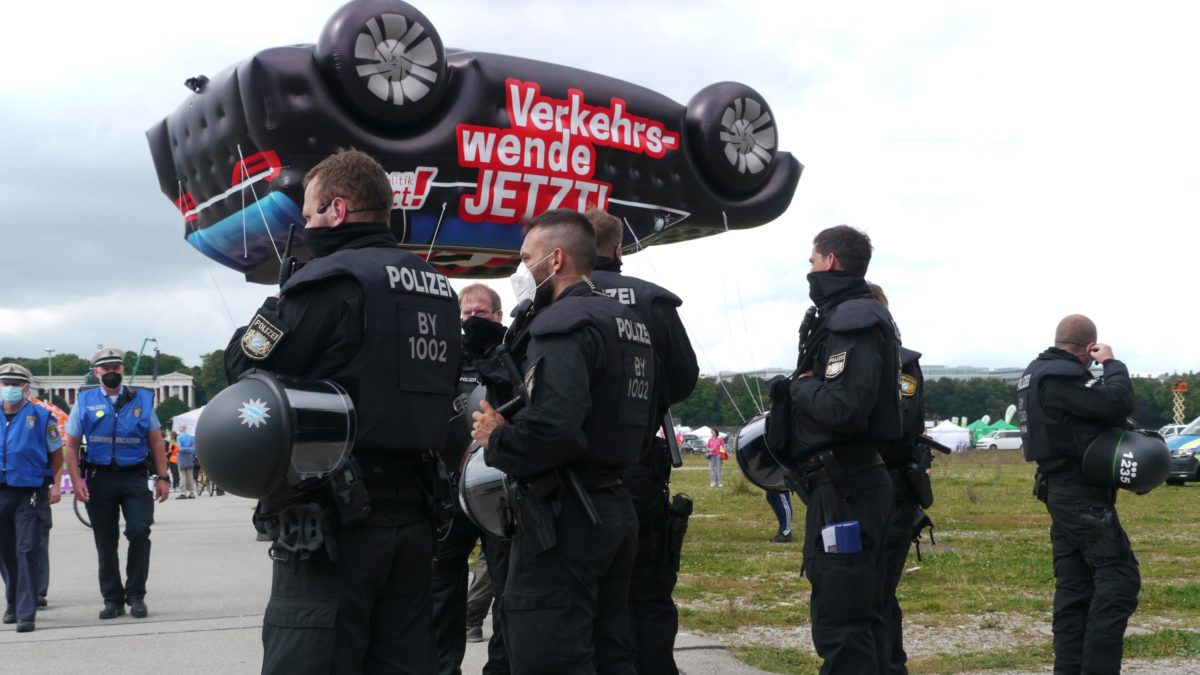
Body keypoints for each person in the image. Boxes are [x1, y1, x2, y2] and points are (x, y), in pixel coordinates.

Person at [224, 148, 462, 674]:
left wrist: (278, 302)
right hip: (416, 515)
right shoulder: (439, 289)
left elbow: (246, 372)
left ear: (336, 210)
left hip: (336, 517)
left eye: (308, 215)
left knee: (312, 658)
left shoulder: (328, 282)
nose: (305, 227)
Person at [471, 208, 655, 673]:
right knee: (612, 649)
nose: (520, 267)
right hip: (615, 503)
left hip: (566, 515)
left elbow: (554, 430)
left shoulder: (561, 324)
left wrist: (497, 438)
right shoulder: (627, 321)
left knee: (547, 653)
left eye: (525, 257)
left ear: (554, 261)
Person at [785, 225, 902, 673]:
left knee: (844, 622)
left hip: (847, 486)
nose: (810, 270)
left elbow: (845, 409)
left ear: (830, 261)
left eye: (813, 261)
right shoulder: (846, 315)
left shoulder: (853, 319)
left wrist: (795, 390)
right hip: (843, 484)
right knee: (857, 616)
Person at [587, 207, 699, 675]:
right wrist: (646, 403)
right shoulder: (653, 301)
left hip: (572, 466)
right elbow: (685, 378)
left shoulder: (553, 297)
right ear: (619, 249)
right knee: (648, 588)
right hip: (638, 460)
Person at [1017, 314, 1139, 675]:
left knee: (1075, 587)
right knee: (1119, 577)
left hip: (1059, 491)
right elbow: (1118, 402)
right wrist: (1112, 363)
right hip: (1080, 495)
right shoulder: (1061, 376)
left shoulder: (1034, 373)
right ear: (1088, 348)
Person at [432, 282, 510, 675]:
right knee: (442, 591)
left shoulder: (511, 354)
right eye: (464, 314)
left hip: (499, 491)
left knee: (508, 589)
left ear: (497, 315)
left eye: (480, 313)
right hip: (448, 489)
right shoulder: (444, 357)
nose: (470, 321)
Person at [63, 348, 171, 620]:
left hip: (134, 476)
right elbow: (71, 445)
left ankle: (136, 595)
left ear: (123, 370)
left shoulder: (142, 400)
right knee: (105, 540)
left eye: (117, 367)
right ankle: (112, 598)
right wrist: (77, 481)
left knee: (138, 531)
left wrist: (163, 477)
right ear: (96, 372)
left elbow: (156, 440)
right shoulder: (84, 401)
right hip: (100, 479)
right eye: (106, 368)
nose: (112, 372)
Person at [869, 281, 927, 675]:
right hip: (860, 488)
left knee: (878, 590)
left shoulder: (902, 365)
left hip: (891, 486)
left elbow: (897, 422)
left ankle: (891, 666)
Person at [0, 364, 64, 632]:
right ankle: (13, 602)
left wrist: (56, 485)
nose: (10, 388)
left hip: (30, 491)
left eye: (16, 383)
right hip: (2, 491)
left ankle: (27, 612)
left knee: (27, 549)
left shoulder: (42, 416)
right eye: (5, 383)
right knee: (5, 551)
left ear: (26, 387)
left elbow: (56, 454)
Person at [175, 429, 197, 499]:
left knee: (182, 476)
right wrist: (189, 449)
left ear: (180, 430)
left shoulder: (179, 437)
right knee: (190, 476)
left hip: (181, 458)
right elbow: (193, 449)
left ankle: (183, 493)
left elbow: (180, 448)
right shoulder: (191, 437)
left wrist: (183, 449)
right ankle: (191, 492)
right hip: (189, 458)